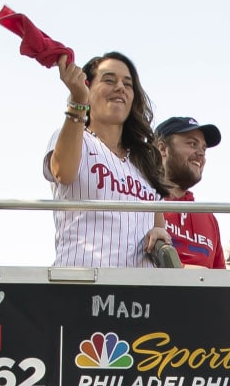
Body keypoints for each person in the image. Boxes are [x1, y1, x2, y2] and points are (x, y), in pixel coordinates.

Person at [45, 51, 171, 268]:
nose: (120, 87)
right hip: (81, 283)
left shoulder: (145, 158)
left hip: (139, 292)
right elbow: (62, 172)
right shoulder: (71, 136)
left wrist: (160, 232)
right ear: (87, 88)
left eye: (128, 84)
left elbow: (157, 224)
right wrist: (77, 102)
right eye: (109, 80)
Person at [154, 115, 228, 269]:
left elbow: (221, 282)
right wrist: (186, 272)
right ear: (162, 149)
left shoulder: (208, 218)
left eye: (204, 149)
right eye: (192, 144)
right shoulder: (140, 200)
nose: (201, 154)